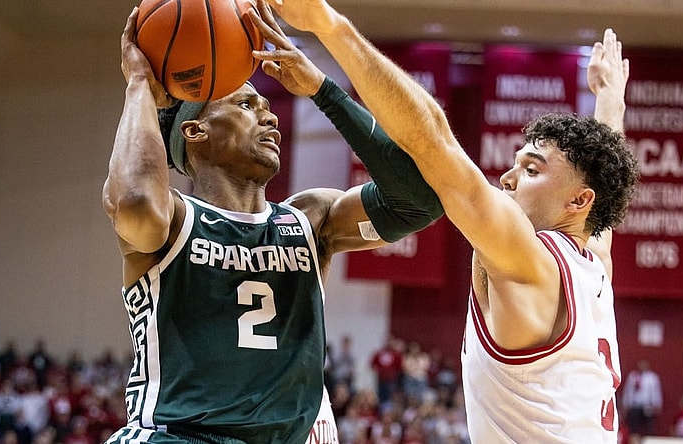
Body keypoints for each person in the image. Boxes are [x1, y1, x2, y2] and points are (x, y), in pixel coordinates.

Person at [252, 2, 639, 442]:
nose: (508, 178)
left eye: (531, 170)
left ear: (578, 200)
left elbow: (432, 140)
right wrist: (610, 102)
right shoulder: (593, 262)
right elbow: (602, 191)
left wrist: (331, 27)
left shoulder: (529, 263)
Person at [102, 3, 443, 443]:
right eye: (246, 104)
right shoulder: (173, 218)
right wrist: (139, 88)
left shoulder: (310, 220)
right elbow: (133, 201)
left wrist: (323, 89)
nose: (270, 115)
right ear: (195, 132)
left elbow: (421, 201)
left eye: (266, 105)